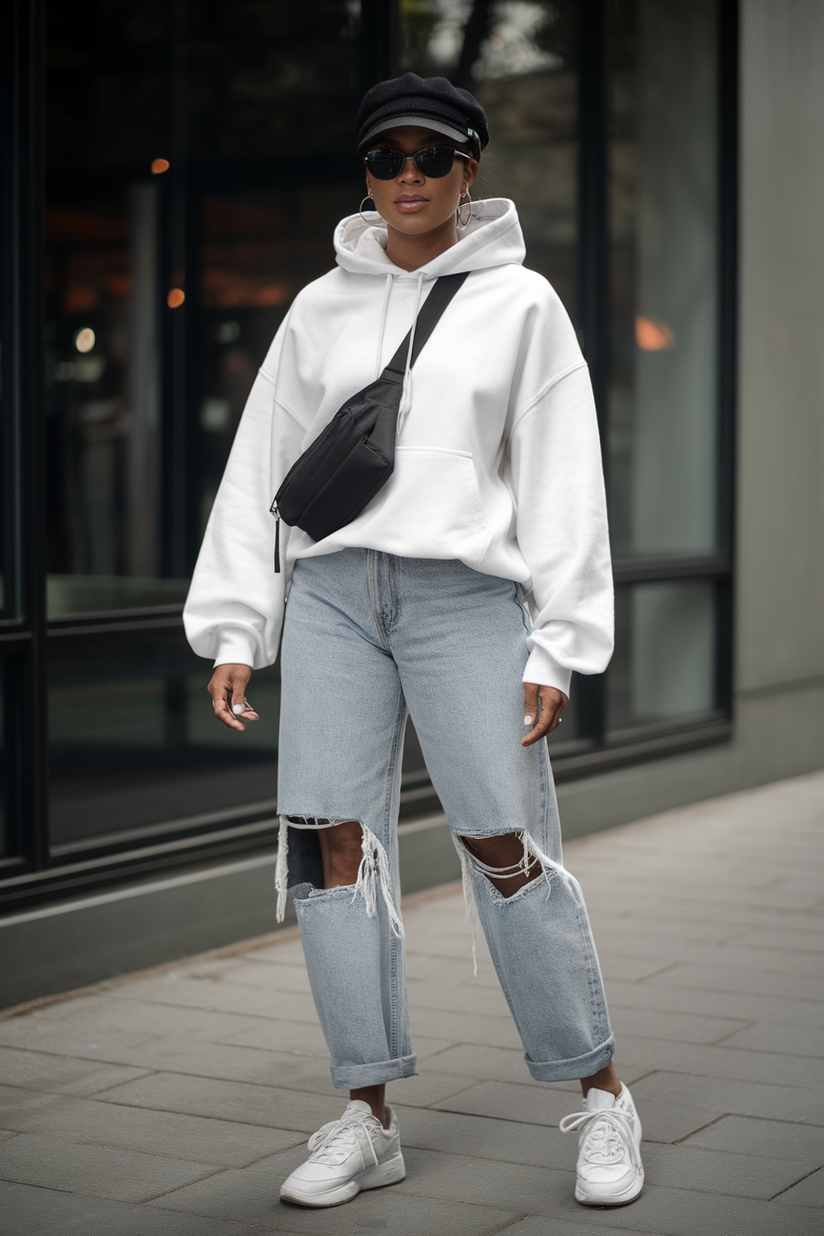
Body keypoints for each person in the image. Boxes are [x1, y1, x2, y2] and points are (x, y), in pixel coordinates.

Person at [184, 73, 644, 1211]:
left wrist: (559, 644)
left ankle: (601, 1093)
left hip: (462, 601)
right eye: (383, 158)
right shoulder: (317, 307)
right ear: (365, 173)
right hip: (336, 597)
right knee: (328, 853)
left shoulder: (521, 305)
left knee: (501, 843)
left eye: (427, 158)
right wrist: (238, 623)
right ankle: (365, 1112)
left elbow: (562, 481)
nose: (404, 177)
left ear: (467, 169)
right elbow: (265, 474)